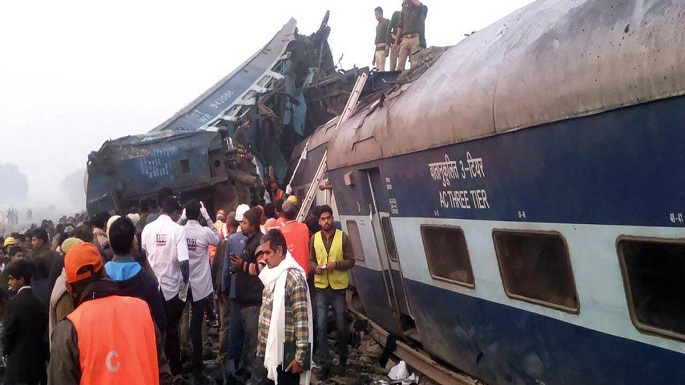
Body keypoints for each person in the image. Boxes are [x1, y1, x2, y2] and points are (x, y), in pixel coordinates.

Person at [49, 242, 171, 385]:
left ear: (68, 287)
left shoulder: (69, 329)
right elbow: (163, 373)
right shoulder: (142, 309)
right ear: (104, 272)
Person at [141, 196, 190, 378]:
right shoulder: (178, 230)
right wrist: (184, 289)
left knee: (155, 330)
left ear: (161, 208)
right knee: (171, 329)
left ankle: (156, 370)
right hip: (171, 289)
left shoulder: (147, 229)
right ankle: (175, 369)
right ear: (175, 212)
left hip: (153, 287)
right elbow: (184, 263)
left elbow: (145, 254)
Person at [257, 229, 313, 385]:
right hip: (270, 351)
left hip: (287, 355)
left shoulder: (294, 279)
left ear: (280, 250)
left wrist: (300, 358)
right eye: (263, 253)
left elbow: (302, 320)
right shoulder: (272, 274)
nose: (265, 258)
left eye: (268, 253)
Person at [309, 205, 355, 379]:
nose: (326, 221)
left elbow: (351, 261)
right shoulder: (314, 239)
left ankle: (343, 360)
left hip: (338, 288)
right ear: (319, 221)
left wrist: (336, 265)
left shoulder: (343, 238)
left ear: (332, 218)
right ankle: (325, 364)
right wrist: (315, 269)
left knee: (342, 325)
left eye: (328, 218)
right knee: (320, 326)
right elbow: (311, 260)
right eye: (322, 219)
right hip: (321, 287)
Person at [105, 217, 166, 333]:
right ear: (134, 242)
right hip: (142, 343)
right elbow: (160, 322)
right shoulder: (147, 280)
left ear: (110, 244)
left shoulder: (101, 280)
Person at [182, 200, 220, 383]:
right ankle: (198, 368)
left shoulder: (180, 231)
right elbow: (218, 238)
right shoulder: (204, 232)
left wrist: (182, 219)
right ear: (198, 214)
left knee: (187, 322)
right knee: (197, 326)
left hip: (184, 284)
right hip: (200, 286)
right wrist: (207, 217)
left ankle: (191, 358)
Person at [229, 206, 267, 384]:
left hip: (254, 301)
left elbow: (261, 268)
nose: (241, 226)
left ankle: (257, 378)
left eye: (244, 223)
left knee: (255, 342)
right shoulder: (249, 242)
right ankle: (248, 372)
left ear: (252, 226)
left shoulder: (258, 243)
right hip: (246, 301)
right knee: (249, 341)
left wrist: (242, 266)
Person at [2, 259, 48, 385]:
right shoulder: (39, 302)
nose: (9, 282)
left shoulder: (13, 303)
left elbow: (9, 333)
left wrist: (5, 351)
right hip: (37, 363)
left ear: (21, 280)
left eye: (11, 279)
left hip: (17, 365)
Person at [224, 204, 249, 375]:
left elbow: (226, 268)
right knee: (252, 331)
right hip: (253, 294)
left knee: (235, 328)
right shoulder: (261, 238)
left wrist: (224, 289)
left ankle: (233, 363)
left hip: (234, 291)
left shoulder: (232, 240)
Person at [396, 0, 424, 71]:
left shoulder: (420, 7)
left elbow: (422, 8)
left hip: (415, 38)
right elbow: (400, 26)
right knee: (400, 65)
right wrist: (396, 42)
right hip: (405, 39)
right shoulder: (404, 8)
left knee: (415, 65)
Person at [373, 6, 391, 71]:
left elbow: (389, 35)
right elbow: (377, 41)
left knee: (381, 70)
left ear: (380, 13)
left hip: (382, 48)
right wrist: (373, 57)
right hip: (377, 50)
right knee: (377, 70)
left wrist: (387, 47)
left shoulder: (386, 22)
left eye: (376, 14)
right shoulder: (378, 26)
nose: (375, 16)